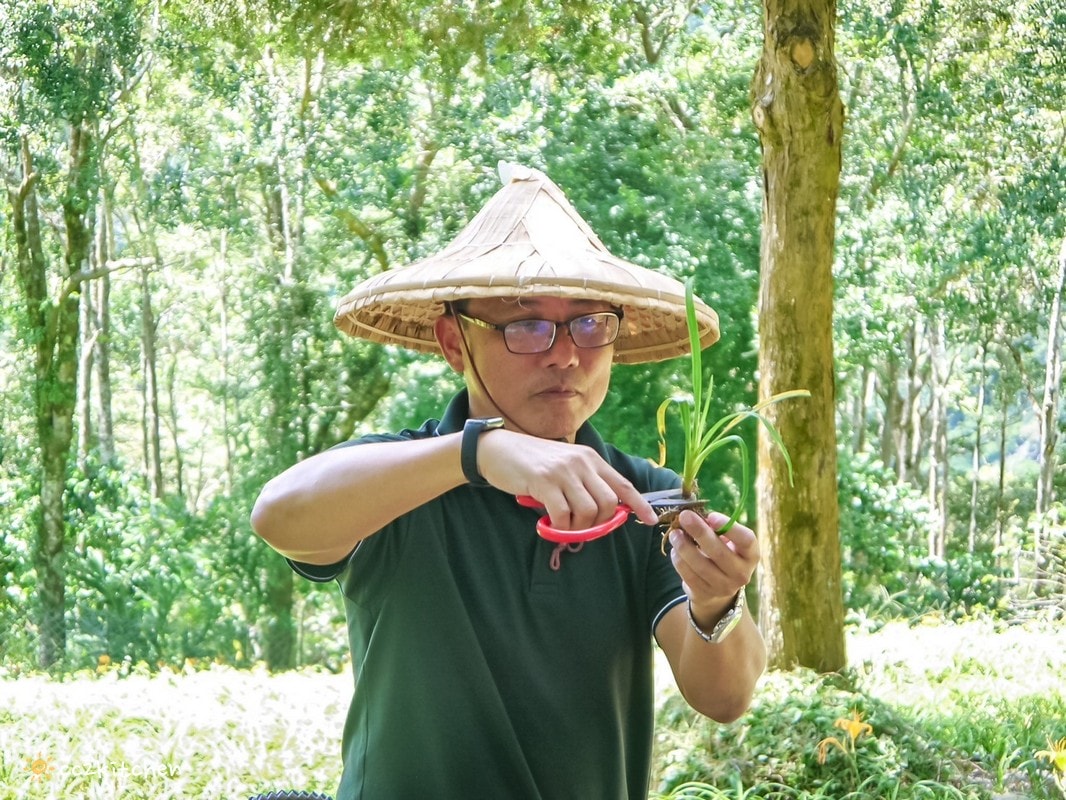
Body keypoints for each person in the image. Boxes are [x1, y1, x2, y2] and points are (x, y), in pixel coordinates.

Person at [250, 163, 767, 799]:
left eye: (589, 323)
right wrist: (479, 453)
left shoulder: (642, 496)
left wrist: (716, 603)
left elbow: (724, 696)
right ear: (454, 342)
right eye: (525, 325)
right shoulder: (401, 479)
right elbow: (278, 515)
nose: (564, 353)